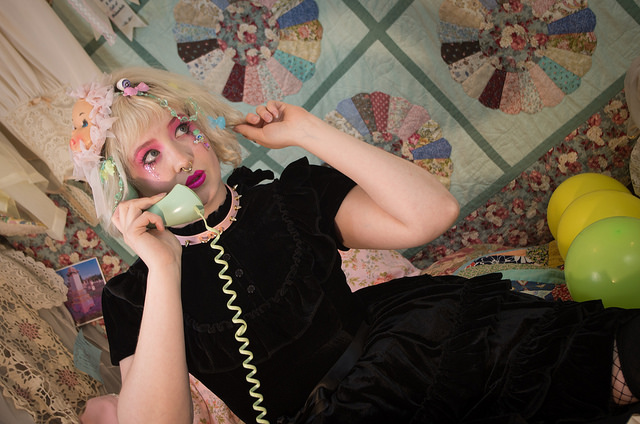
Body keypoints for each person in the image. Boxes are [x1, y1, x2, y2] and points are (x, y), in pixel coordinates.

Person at [70, 67, 640, 424]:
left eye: (182, 129)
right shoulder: (134, 295)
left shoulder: (289, 197)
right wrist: (164, 268)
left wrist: (308, 130)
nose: (182, 157)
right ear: (126, 185)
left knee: (595, 360)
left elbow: (432, 215)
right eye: (150, 156)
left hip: (410, 353)